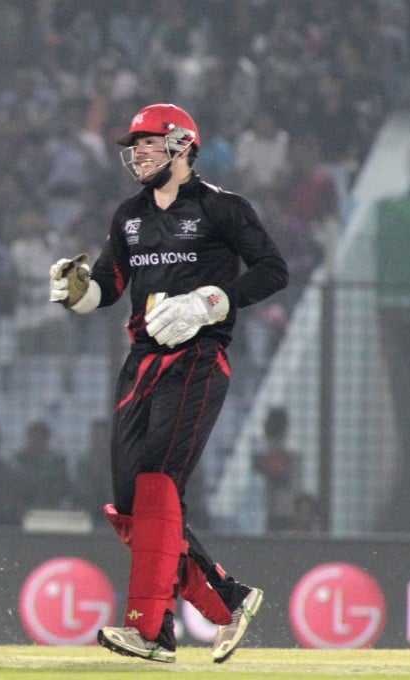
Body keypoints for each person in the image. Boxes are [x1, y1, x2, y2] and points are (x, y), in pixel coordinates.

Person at [49, 103, 288, 663]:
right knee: (134, 506)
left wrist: (211, 301)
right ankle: (227, 599)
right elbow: (107, 287)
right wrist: (76, 289)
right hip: (141, 362)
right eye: (135, 146)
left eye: (151, 144)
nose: (139, 155)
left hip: (199, 358)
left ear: (183, 145)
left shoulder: (221, 208)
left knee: (157, 483)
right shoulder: (129, 214)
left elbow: (273, 269)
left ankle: (149, 628)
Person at [251, 406, 302, 532]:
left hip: (286, 509)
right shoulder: (272, 447)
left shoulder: (288, 449)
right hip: (273, 507)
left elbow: (284, 475)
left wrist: (263, 466)